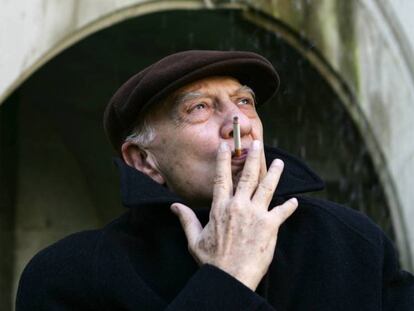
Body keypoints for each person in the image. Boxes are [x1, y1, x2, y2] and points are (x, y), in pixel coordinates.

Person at [16, 50, 414, 310]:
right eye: (199, 108)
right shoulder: (71, 276)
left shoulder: (353, 242)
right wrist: (227, 279)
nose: (237, 123)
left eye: (244, 102)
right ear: (144, 161)